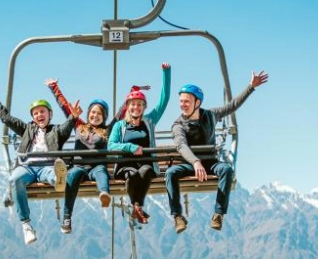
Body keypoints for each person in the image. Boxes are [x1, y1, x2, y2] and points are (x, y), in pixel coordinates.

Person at [166, 69, 269, 233]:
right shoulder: (178, 125)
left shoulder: (210, 115)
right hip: (189, 164)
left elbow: (232, 106)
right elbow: (181, 145)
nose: (182, 105)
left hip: (210, 162)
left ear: (197, 103)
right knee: (171, 173)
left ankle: (218, 214)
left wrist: (251, 87)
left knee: (226, 170)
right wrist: (195, 162)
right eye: (181, 101)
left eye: (186, 101)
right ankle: (178, 216)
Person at [0, 82, 78, 244]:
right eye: (35, 113)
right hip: (27, 166)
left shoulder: (56, 131)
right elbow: (6, 119)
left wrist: (73, 117)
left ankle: (59, 179)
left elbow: (67, 127)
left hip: (47, 166)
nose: (39, 115)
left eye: (42, 112)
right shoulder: (27, 129)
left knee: (52, 173)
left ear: (49, 114)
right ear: (32, 117)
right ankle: (26, 225)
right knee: (15, 179)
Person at [45, 79, 123, 234]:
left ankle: (104, 193)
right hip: (79, 167)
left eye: (99, 113)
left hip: (96, 167)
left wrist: (133, 93)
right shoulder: (79, 125)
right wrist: (54, 87)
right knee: (72, 175)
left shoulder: (107, 130)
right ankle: (67, 217)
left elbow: (121, 113)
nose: (95, 115)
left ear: (104, 116)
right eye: (93, 112)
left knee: (102, 172)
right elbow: (65, 107)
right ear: (88, 114)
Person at [108, 63, 172, 224]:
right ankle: (139, 208)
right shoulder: (119, 126)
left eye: (139, 104)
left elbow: (164, 100)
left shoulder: (149, 121)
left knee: (144, 171)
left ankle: (136, 208)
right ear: (128, 107)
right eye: (133, 104)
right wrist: (130, 147)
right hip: (125, 164)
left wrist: (166, 73)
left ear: (144, 107)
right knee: (132, 175)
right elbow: (111, 145)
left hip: (146, 163)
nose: (136, 107)